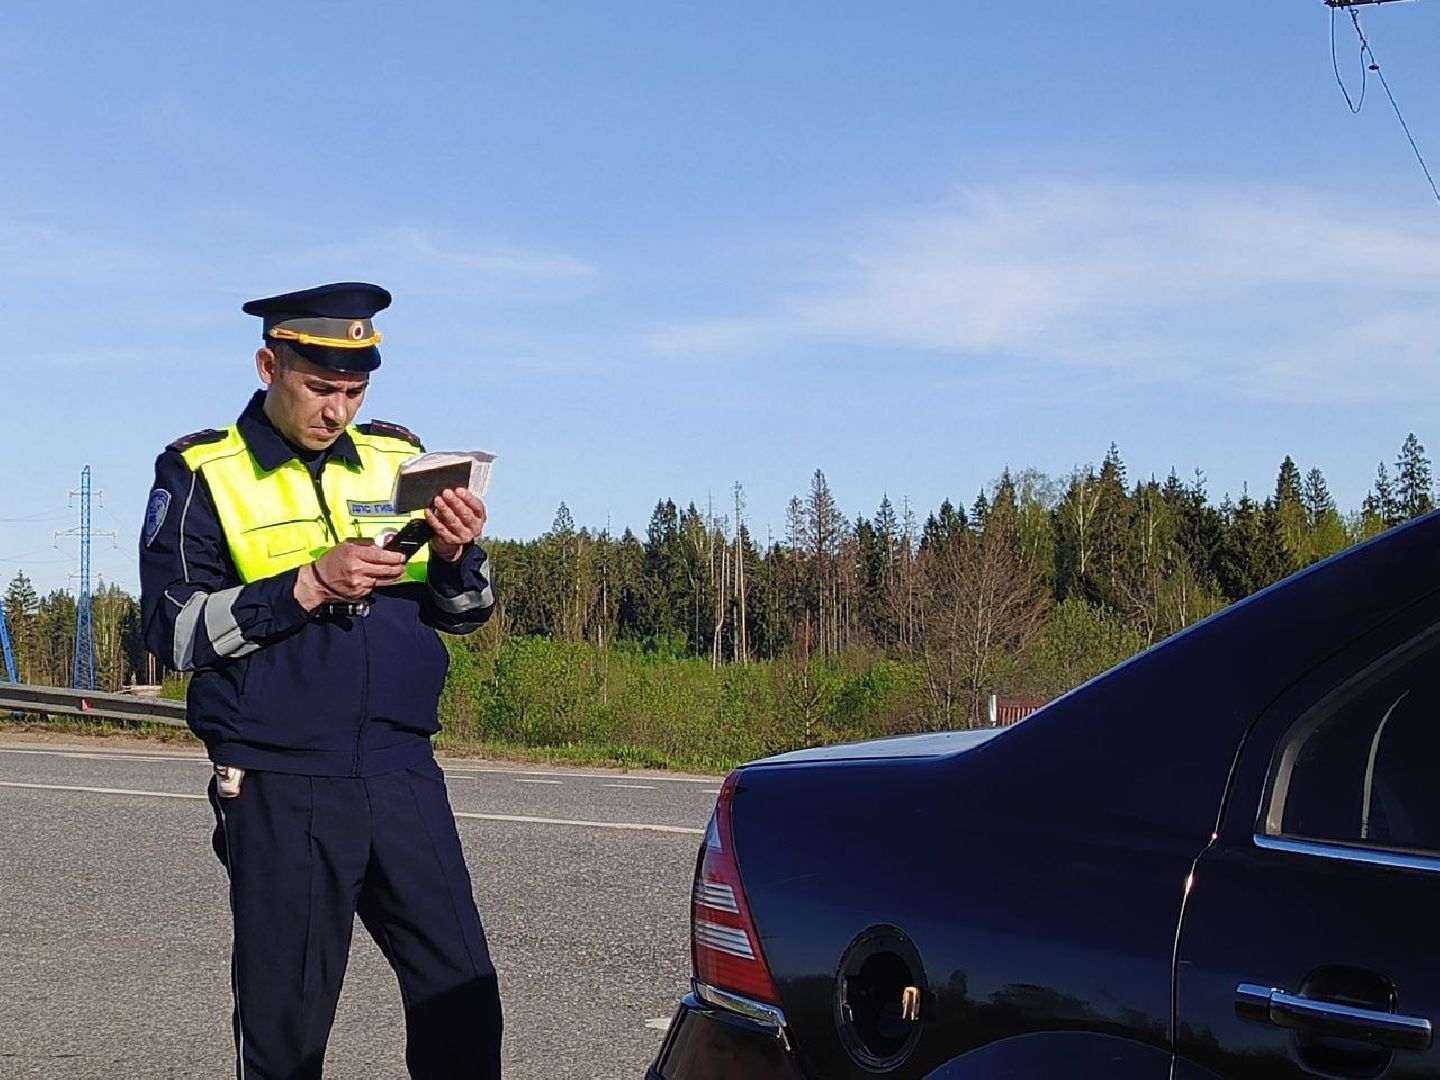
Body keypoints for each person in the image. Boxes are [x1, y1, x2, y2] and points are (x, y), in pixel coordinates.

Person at [139, 282, 503, 1079]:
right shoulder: (202, 469)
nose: (339, 410)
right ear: (270, 365)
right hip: (281, 779)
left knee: (464, 997)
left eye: (355, 390)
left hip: (403, 771)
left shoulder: (398, 455)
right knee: (287, 1027)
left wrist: (452, 557)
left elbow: (467, 612)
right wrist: (307, 586)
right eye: (320, 389)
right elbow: (172, 632)